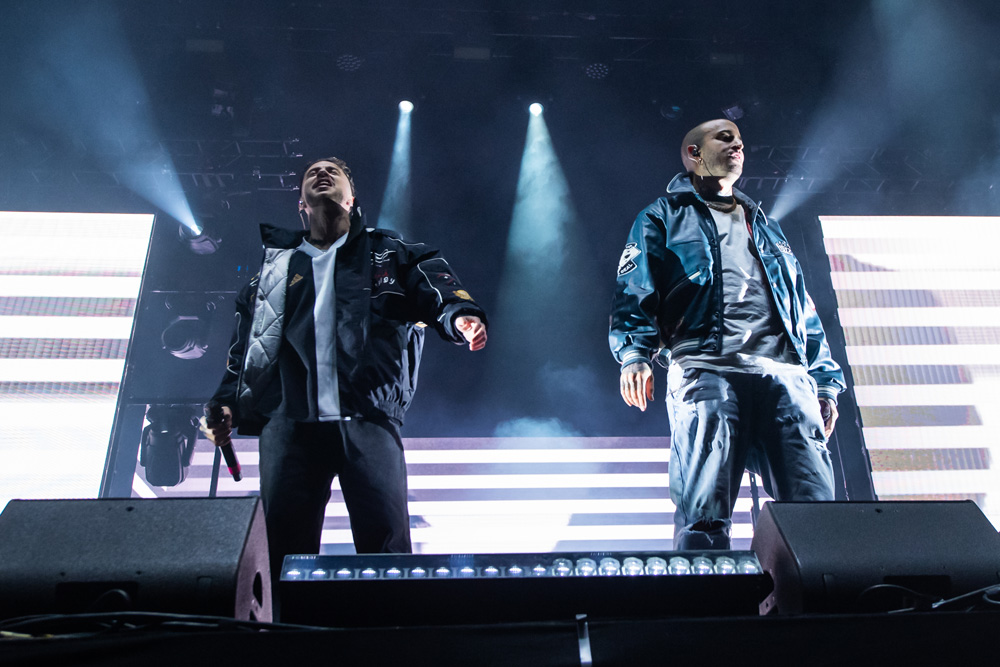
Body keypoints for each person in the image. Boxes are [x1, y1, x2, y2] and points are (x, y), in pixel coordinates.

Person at [206, 156, 487, 583]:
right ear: (301, 203)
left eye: (332, 172)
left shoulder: (391, 253)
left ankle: (389, 642)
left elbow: (438, 289)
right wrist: (226, 404)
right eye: (311, 174)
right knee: (281, 554)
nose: (321, 174)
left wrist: (459, 315)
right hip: (289, 424)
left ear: (352, 198)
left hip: (368, 417)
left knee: (388, 553)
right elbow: (246, 350)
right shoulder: (273, 269)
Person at [609, 119, 845, 550]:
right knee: (704, 517)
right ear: (693, 154)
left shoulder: (766, 226)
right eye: (724, 137)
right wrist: (634, 354)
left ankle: (821, 611)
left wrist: (825, 383)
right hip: (707, 366)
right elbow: (635, 287)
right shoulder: (662, 216)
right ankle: (708, 606)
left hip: (787, 377)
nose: (737, 144)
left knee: (817, 519)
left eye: (739, 139)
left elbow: (801, 307)